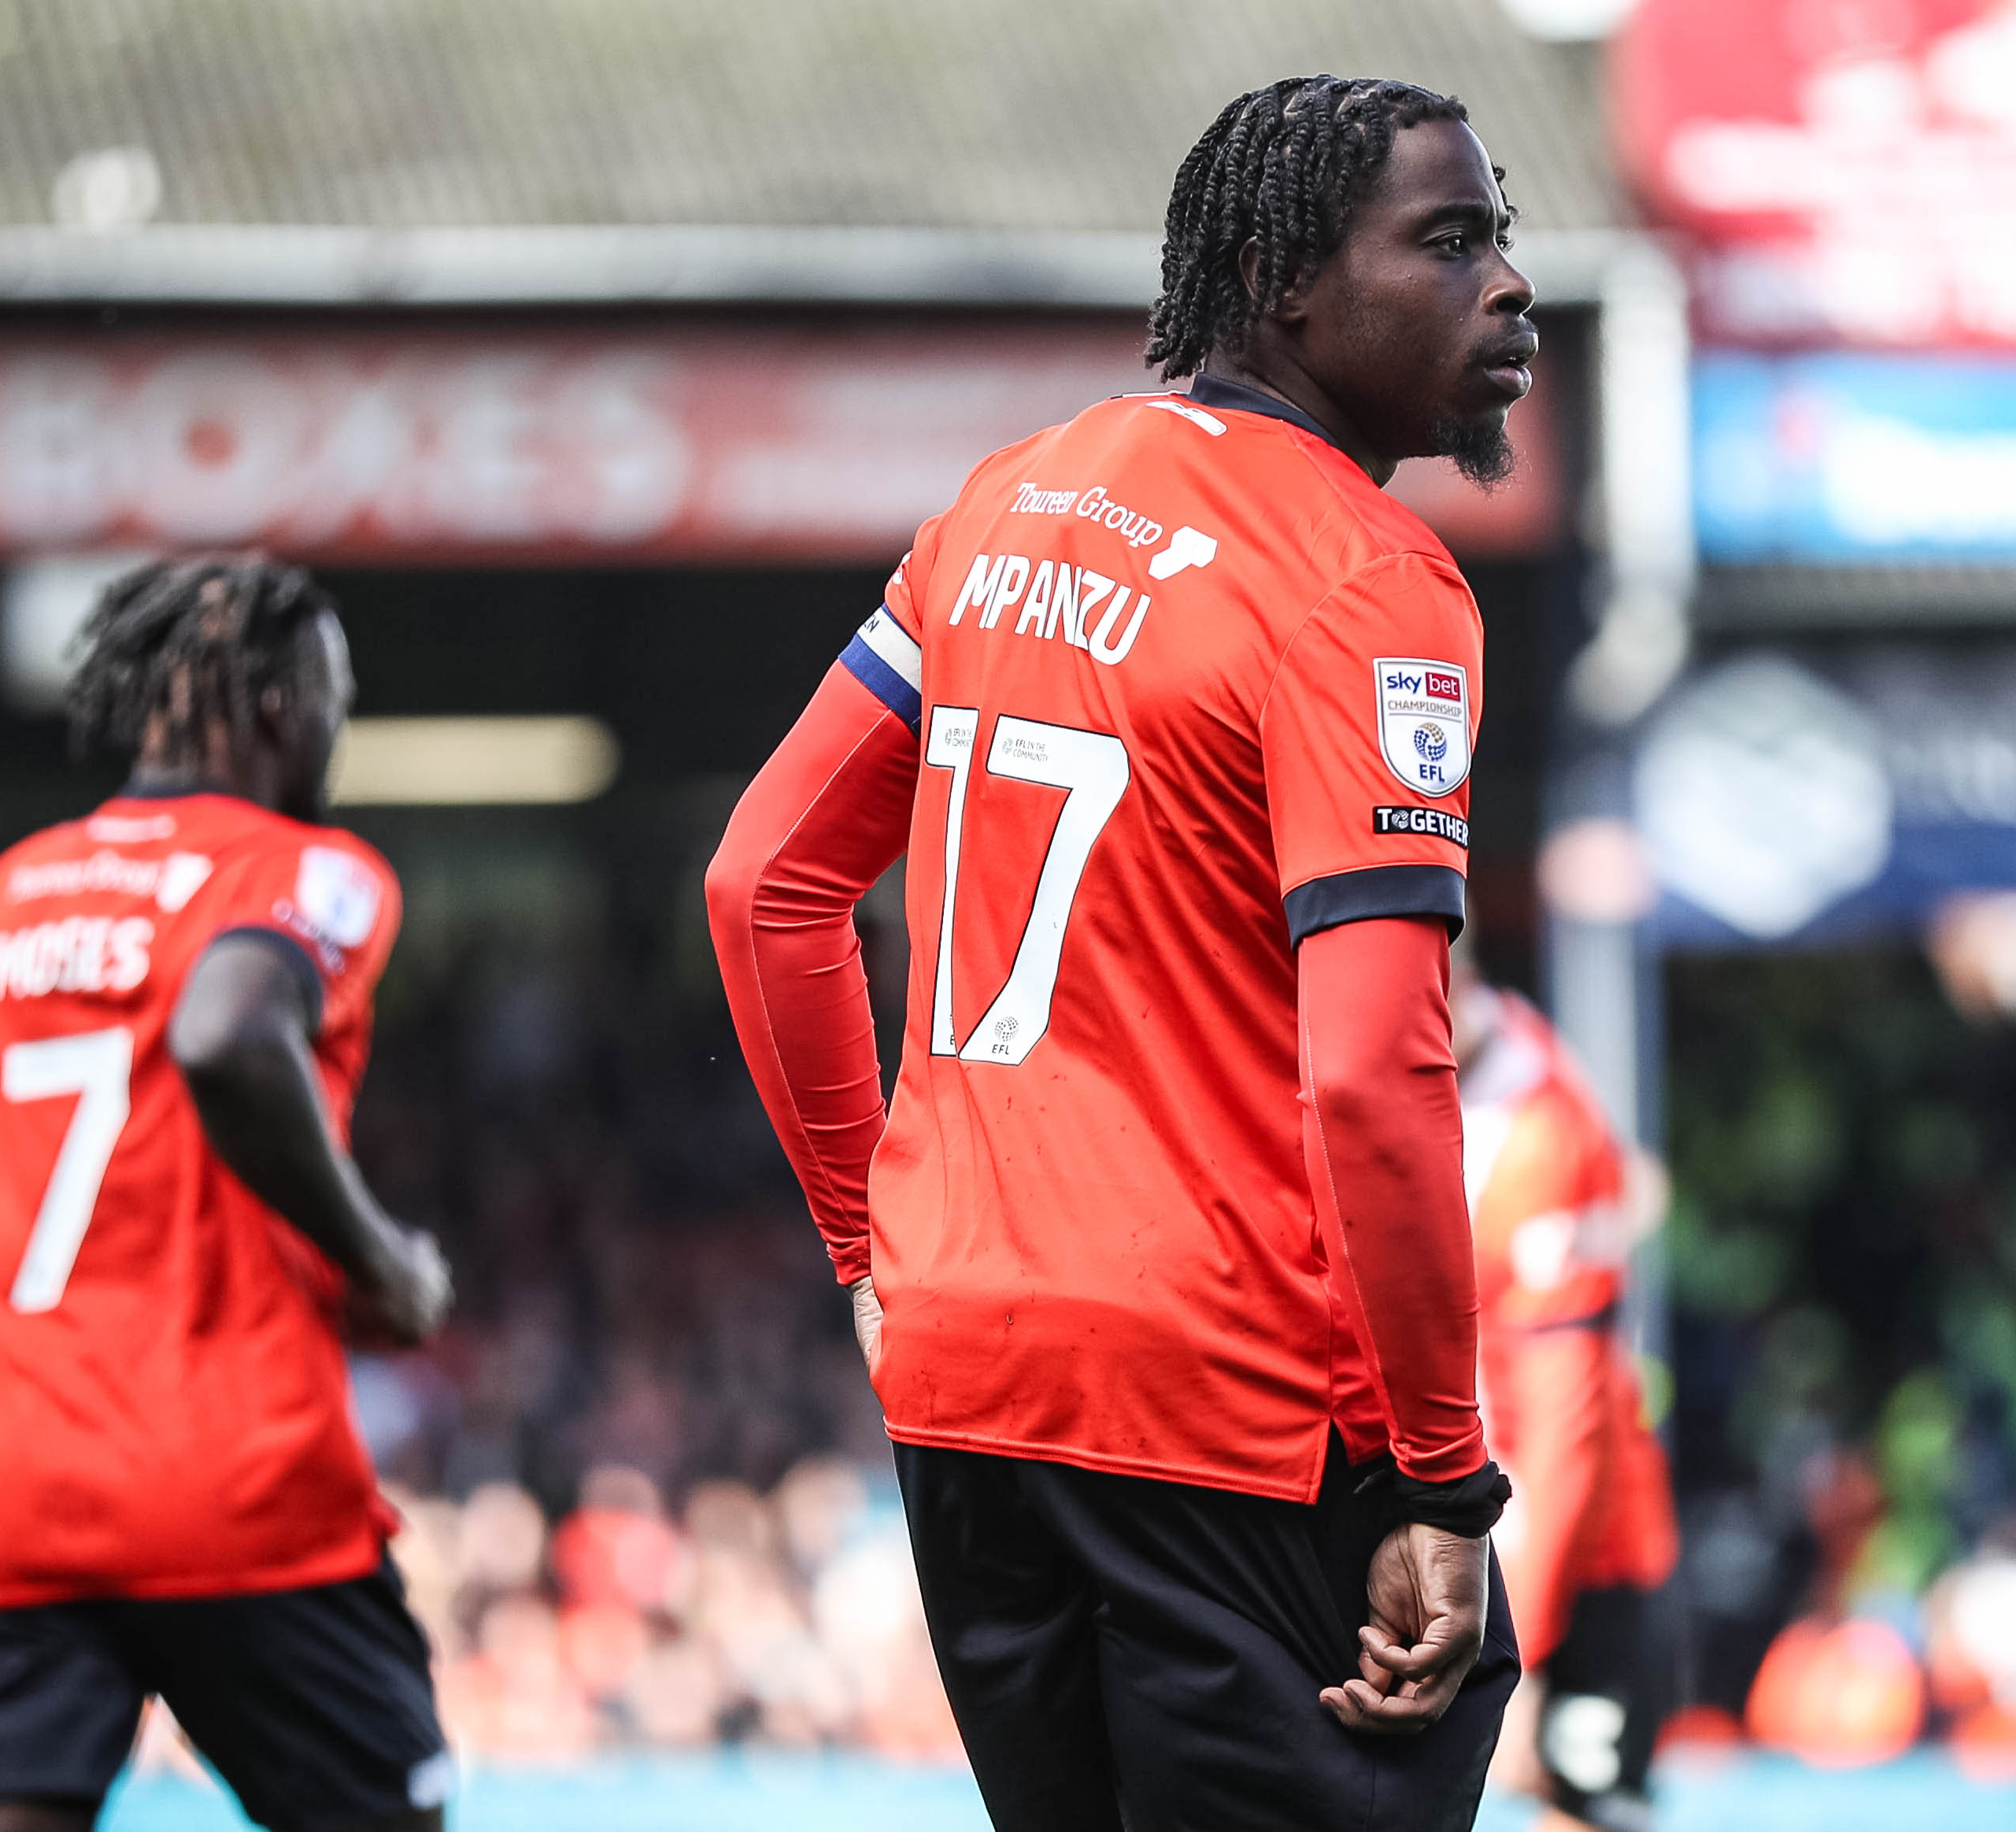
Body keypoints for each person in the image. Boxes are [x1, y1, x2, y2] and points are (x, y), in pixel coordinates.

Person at [705, 74, 1536, 1832]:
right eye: (1448, 242)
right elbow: (1372, 1074)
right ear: (1283, 278)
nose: (1506, 285)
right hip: (1229, 1416)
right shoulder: (1364, 580)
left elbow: (765, 880)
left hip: (968, 1391)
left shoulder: (1004, 505)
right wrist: (1438, 1479)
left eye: (1502, 240)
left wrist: (873, 1247)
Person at [0, 555, 455, 1832]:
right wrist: (381, 1262)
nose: (335, 732)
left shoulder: (8, 896)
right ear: (270, 705)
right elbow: (228, 1032)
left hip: (25, 1505)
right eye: (330, 698)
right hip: (244, 1489)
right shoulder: (310, 870)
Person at [1452, 942, 1679, 1832]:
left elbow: (1566, 1435)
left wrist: (1522, 1654)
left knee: (1578, 1802)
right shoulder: (1496, 1056)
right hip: (1475, 1537)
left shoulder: (1538, 1140)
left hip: (1575, 1558)